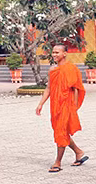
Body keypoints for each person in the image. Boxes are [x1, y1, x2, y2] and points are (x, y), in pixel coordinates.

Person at [35, 45, 88, 173]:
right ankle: (79, 152)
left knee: (61, 131)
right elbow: (49, 88)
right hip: (55, 104)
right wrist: (41, 103)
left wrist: (74, 107)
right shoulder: (52, 69)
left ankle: (57, 162)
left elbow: (75, 88)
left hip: (67, 104)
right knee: (61, 131)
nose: (54, 55)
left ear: (64, 54)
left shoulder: (71, 68)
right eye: (53, 52)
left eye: (57, 52)